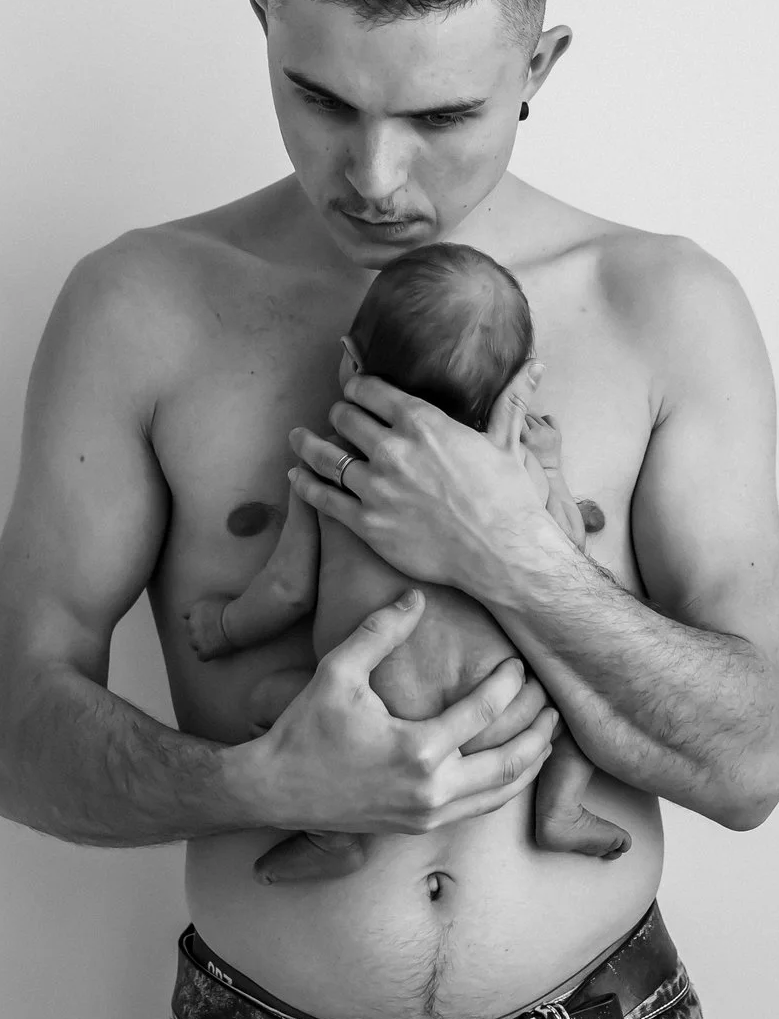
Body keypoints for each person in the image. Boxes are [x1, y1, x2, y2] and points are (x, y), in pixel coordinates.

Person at [0, 0, 779, 1019]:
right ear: (266, 28)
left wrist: (515, 555)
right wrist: (260, 782)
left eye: (441, 113)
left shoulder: (663, 309)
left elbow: (751, 764)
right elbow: (14, 735)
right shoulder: (139, 310)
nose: (373, 173)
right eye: (319, 98)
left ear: (540, 65)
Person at [188, 240, 634, 884]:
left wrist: (226, 626)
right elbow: (566, 553)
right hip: (507, 715)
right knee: (579, 703)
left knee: (268, 701)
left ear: (350, 362)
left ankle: (331, 833)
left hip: (368, 723)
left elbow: (286, 590)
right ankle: (559, 808)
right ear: (517, 383)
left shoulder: (334, 472)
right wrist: (554, 471)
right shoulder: (518, 475)